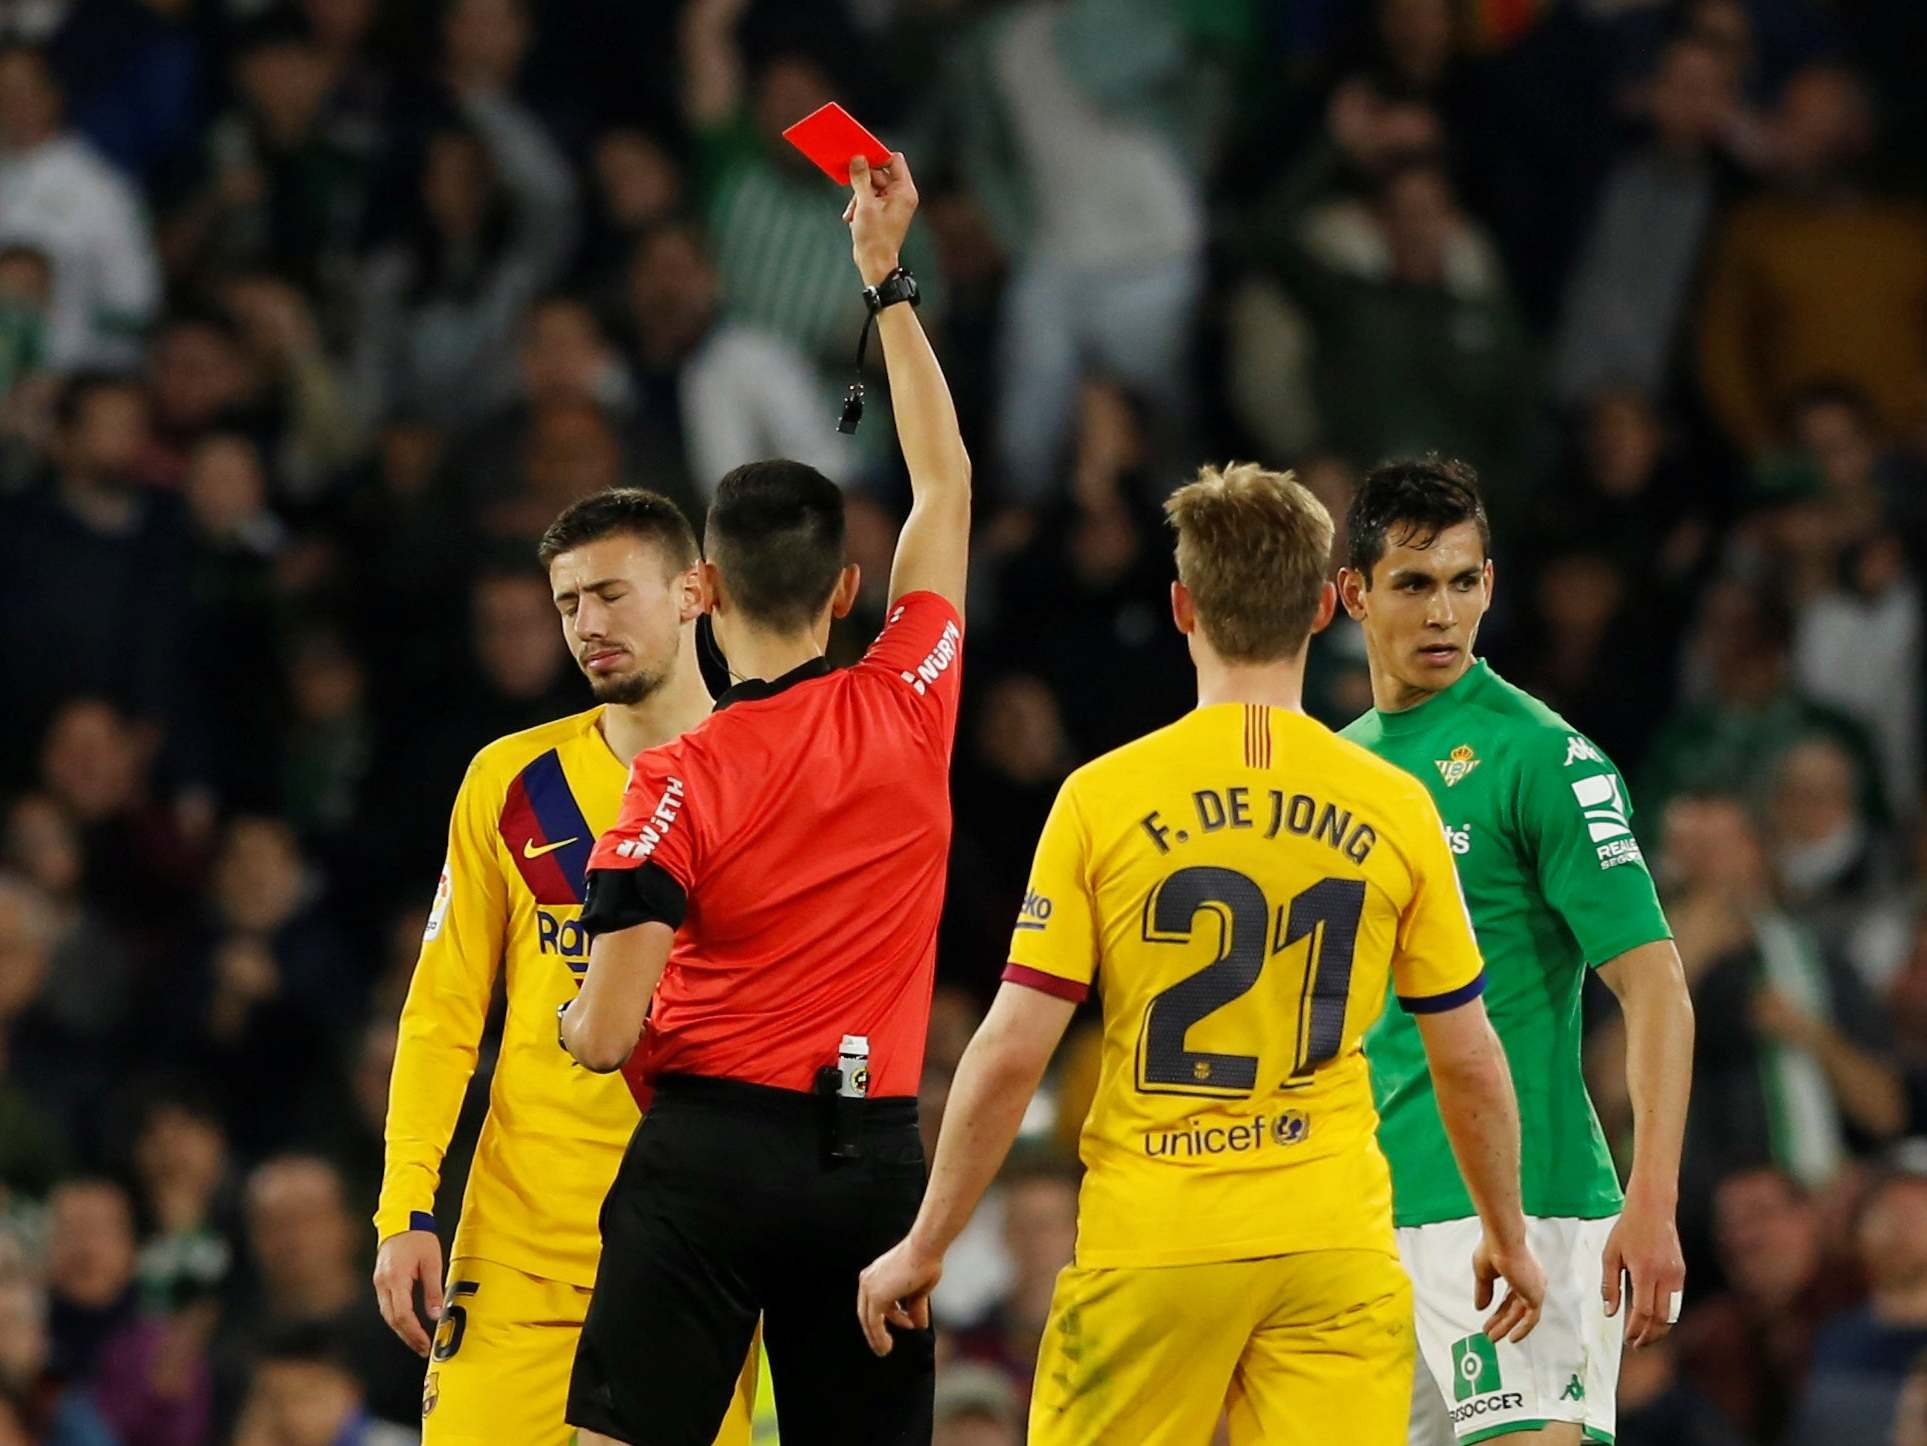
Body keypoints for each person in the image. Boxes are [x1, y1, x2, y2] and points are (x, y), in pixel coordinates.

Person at [859, 462, 1544, 1445]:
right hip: (1331, 1242)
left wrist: (927, 1242)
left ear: (1182, 606)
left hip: (1155, 1241)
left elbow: (1013, 1049)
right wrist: (1507, 1234)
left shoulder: (1104, 797)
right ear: (1322, 608)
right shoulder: (1396, 805)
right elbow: (1467, 1054)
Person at [559, 148, 968, 1445]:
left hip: (707, 1165)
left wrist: (576, 1017)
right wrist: (883, 279)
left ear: (705, 594)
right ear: (847, 592)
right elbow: (943, 482)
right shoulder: (912, 696)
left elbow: (608, 1030)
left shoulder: (671, 776)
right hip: (873, 1170)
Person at [373, 488, 754, 1444]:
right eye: (569, 604)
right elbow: (443, 1011)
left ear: (692, 592)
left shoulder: (768, 783)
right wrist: (404, 1206)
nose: (588, 625)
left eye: (612, 595)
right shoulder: (510, 783)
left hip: (695, 1248)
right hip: (516, 1248)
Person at [1335, 458, 1695, 1446]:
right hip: (1365, 1218)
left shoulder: (1541, 756)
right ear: (1352, 594)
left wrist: (1651, 1199)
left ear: (1490, 586)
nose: (1443, 611)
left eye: (1463, 581)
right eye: (1413, 584)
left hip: (1525, 1211)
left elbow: (1654, 984)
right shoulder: (1336, 770)